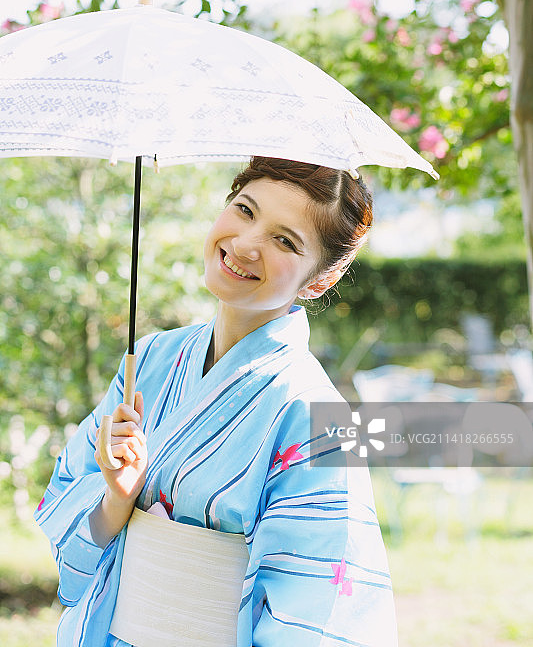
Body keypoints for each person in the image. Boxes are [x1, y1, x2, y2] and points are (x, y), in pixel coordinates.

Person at [34, 156, 398, 647]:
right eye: (245, 211)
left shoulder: (322, 418)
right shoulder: (154, 358)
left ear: (320, 280)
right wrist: (117, 497)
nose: (246, 245)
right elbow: (70, 503)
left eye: (285, 241)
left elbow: (315, 612)